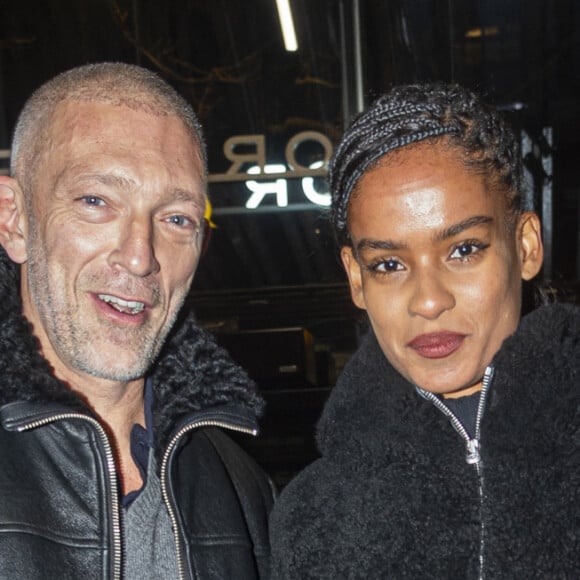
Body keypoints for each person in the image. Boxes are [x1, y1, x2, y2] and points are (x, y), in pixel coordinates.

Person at [270, 83, 580, 578]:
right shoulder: (311, 517)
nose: (429, 300)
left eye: (463, 250)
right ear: (356, 277)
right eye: (389, 264)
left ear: (525, 246)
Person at [0, 63, 274, 579]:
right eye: (96, 201)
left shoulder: (243, 491)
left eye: (176, 219)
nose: (140, 256)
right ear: (13, 220)